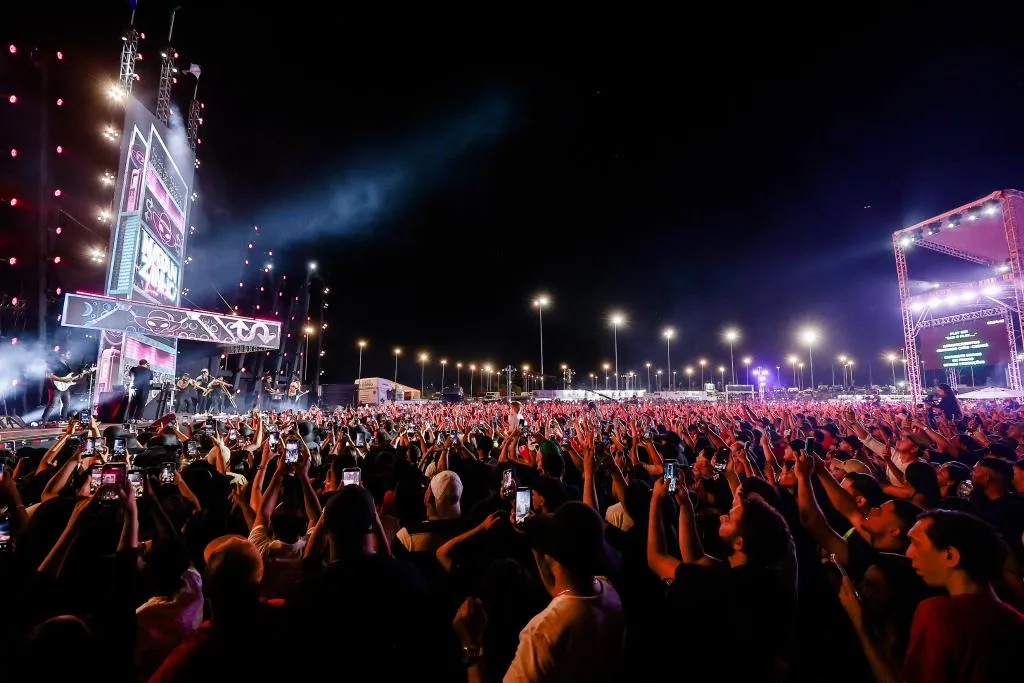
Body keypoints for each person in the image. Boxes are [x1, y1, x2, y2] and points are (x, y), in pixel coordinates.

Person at [454, 501, 625, 682]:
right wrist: (536, 538)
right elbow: (564, 594)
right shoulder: (609, 592)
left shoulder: (542, 633)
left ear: (551, 557)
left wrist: (471, 646)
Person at [43, 350, 74, 422]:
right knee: (52, 404)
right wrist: (62, 380)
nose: (70, 356)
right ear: (62, 354)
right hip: (55, 386)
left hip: (65, 386)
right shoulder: (55, 363)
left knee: (66, 403)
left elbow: (68, 377)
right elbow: (49, 375)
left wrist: (80, 376)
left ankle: (63, 419)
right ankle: (44, 420)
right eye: (68, 354)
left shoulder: (67, 364)